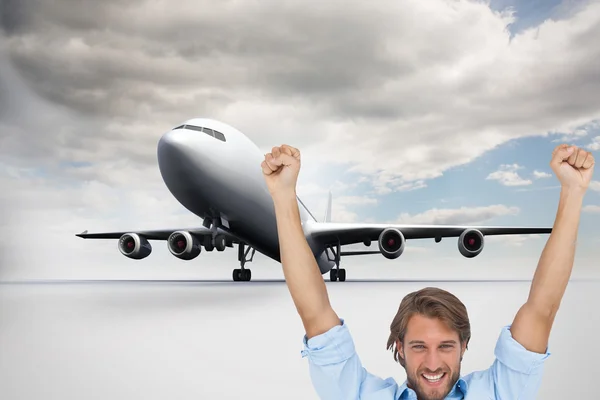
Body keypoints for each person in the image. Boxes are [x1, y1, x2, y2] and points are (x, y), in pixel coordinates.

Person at [261, 143, 595, 399]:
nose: (433, 363)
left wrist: (573, 191)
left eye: (446, 346)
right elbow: (314, 311)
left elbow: (543, 308)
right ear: (400, 348)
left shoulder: (499, 393)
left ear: (464, 346)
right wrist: (283, 197)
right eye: (419, 346)